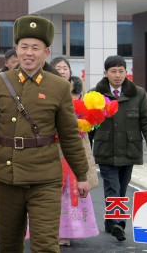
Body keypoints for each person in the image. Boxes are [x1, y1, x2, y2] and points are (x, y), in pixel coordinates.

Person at [0, 16, 90, 253]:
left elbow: (70, 136)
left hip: (46, 178)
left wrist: (82, 174)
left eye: (35, 48)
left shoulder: (59, 86)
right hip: (6, 176)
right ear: (16, 50)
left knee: (45, 245)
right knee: (9, 244)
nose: (29, 53)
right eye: (24, 47)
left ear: (46, 52)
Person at [90, 55, 147, 242]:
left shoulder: (138, 94)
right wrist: (84, 151)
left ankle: (110, 222)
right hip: (105, 150)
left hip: (129, 150)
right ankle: (118, 222)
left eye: (121, 71)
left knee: (121, 189)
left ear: (126, 72)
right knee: (112, 187)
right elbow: (88, 125)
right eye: (113, 71)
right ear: (106, 73)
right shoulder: (95, 95)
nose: (117, 75)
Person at [48, 58, 98, 247]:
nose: (62, 71)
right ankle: (57, 231)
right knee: (55, 190)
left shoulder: (81, 95)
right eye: (58, 68)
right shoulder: (48, 89)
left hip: (77, 146)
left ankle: (73, 229)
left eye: (65, 68)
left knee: (74, 188)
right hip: (53, 147)